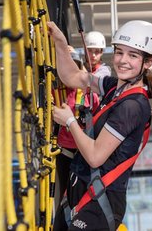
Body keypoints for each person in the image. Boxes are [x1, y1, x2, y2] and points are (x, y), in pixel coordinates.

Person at [47, 20, 152, 231]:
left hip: (99, 201)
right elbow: (72, 76)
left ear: (147, 63)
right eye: (119, 52)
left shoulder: (132, 106)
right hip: (81, 192)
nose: (123, 61)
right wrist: (60, 43)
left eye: (133, 55)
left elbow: (95, 156)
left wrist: (70, 121)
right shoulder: (114, 89)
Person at [54, 45, 100, 216]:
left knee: (83, 190)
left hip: (84, 150)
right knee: (65, 192)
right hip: (64, 150)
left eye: (74, 66)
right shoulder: (56, 91)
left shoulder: (89, 93)